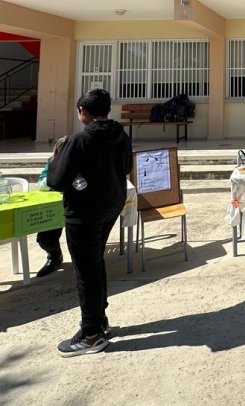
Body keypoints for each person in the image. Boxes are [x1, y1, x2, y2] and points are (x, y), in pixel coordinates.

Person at [48, 89, 133, 357]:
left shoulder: (80, 139)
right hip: (111, 204)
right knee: (95, 262)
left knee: (86, 270)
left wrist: (58, 158)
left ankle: (91, 334)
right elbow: (126, 167)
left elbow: (56, 180)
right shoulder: (121, 135)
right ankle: (99, 319)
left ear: (82, 111)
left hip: (85, 211)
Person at [35, 135, 69, 277]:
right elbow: (40, 185)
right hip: (55, 206)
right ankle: (54, 256)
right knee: (45, 239)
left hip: (77, 206)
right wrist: (55, 173)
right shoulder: (52, 162)